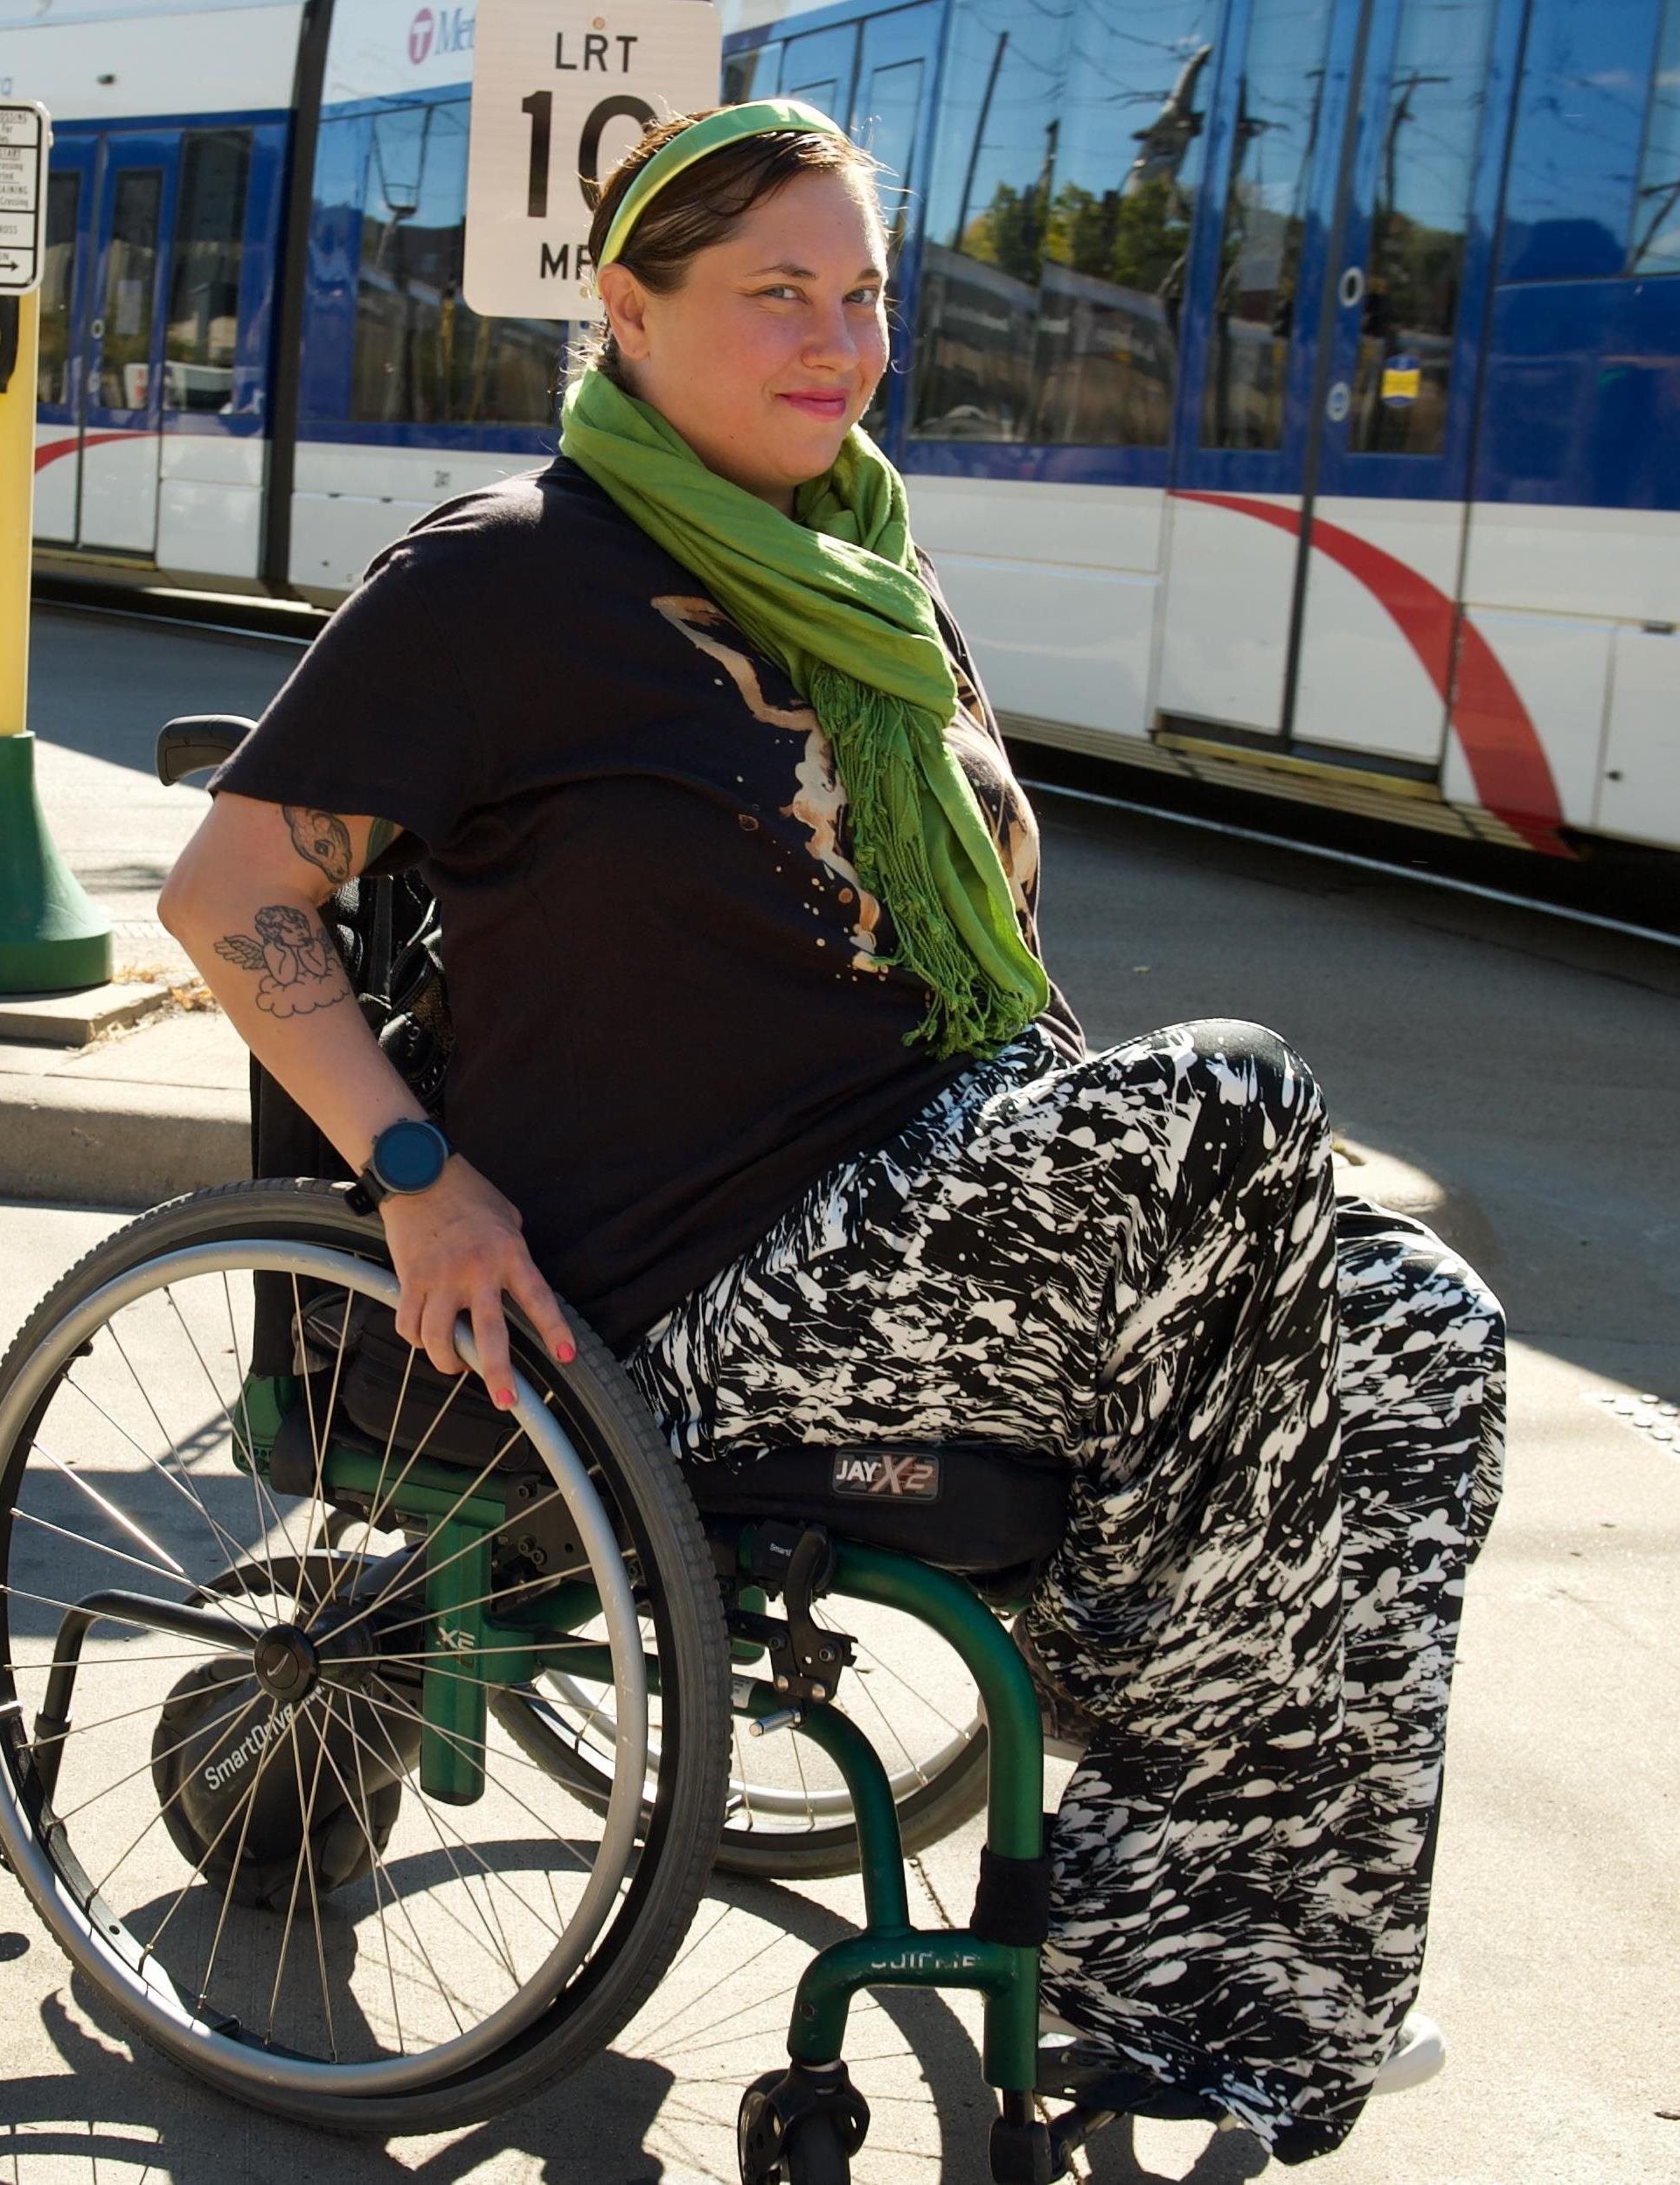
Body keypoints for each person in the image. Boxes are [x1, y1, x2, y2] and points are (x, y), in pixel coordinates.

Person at [158, 100, 1503, 2165]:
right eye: (774, 291)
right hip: (672, 1299)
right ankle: (1158, 1932)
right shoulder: (506, 578)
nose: (839, 337)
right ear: (626, 311)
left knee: (1411, 1319)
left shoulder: (865, 583)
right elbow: (229, 890)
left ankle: (1275, 1959)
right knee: (1229, 1095)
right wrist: (413, 1179)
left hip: (926, 1229)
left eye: (861, 292)